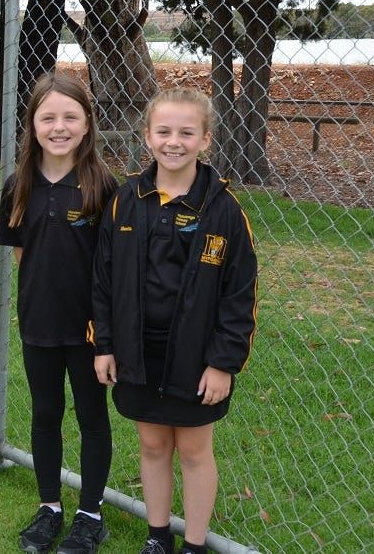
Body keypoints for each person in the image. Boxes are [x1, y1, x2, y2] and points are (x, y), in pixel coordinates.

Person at [91, 88, 258, 554]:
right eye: (163, 131)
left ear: (205, 139)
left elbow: (239, 296)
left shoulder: (224, 210)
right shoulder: (126, 200)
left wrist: (223, 362)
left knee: (193, 450)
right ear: (147, 136)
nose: (174, 141)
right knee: (152, 445)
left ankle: (195, 544)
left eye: (187, 132)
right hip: (137, 350)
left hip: (196, 356)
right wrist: (105, 345)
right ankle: (158, 536)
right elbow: (103, 281)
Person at [0, 72, 118, 554]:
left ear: (87, 124)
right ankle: (49, 507)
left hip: (89, 330)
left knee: (91, 415)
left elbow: (112, 265)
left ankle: (90, 514)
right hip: (39, 323)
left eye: (70, 116)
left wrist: (105, 332)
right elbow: (23, 255)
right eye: (48, 117)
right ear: (33, 124)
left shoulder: (103, 186)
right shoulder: (18, 185)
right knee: (45, 413)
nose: (59, 127)